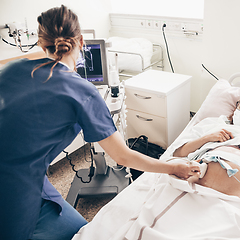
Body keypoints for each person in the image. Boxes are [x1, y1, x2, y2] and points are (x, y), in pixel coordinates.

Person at [0, 5, 200, 240]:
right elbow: (122, 157)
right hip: (14, 186)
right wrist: (174, 167)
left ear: (41, 44)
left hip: (29, 173)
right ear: (81, 41)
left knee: (79, 231)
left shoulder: (11, 68)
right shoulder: (81, 91)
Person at [173, 100, 240, 197]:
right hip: (193, 178)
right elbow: (178, 153)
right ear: (236, 108)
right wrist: (207, 138)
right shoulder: (213, 124)